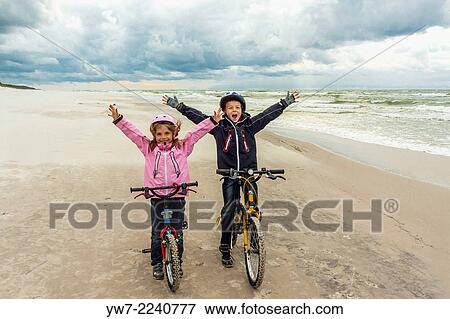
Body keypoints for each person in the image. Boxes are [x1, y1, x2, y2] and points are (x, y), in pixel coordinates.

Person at [162, 91, 300, 267]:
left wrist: (283, 103)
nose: (234, 110)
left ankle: (254, 238)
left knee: (253, 208)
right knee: (228, 210)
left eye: (237, 107)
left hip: (249, 173)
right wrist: (179, 106)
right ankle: (225, 247)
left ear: (242, 109)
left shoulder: (250, 124)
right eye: (230, 107)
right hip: (229, 174)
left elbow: (267, 115)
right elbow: (199, 118)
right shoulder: (219, 127)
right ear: (224, 110)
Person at [108, 103, 222, 279]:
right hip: (156, 196)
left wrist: (212, 121)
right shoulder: (148, 148)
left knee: (177, 233)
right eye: (159, 134)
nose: (163, 137)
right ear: (154, 135)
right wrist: (118, 119)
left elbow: (197, 133)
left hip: (177, 194)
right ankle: (157, 264)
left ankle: (178, 262)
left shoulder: (183, 147)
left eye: (167, 133)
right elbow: (133, 133)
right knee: (157, 232)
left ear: (174, 133)